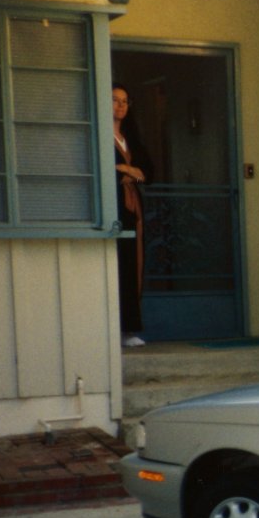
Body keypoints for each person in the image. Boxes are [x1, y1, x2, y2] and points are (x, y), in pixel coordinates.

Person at [112, 83, 151, 347]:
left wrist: (126, 168)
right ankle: (114, 328)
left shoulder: (130, 137)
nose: (121, 105)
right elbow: (108, 170)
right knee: (117, 264)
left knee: (132, 264)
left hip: (132, 206)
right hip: (113, 206)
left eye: (125, 101)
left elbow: (149, 171)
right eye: (115, 100)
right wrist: (129, 171)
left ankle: (130, 329)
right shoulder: (103, 135)